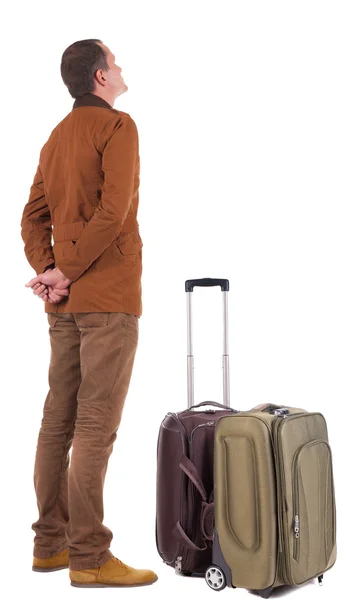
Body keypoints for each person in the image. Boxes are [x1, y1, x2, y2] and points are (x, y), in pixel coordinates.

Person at [21, 38, 158, 588]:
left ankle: (49, 546)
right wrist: (68, 271)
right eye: (115, 61)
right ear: (100, 78)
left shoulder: (56, 137)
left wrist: (51, 268)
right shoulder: (118, 127)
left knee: (59, 420)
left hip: (67, 303)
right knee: (94, 425)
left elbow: (32, 216)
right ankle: (90, 557)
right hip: (106, 296)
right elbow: (114, 210)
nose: (121, 68)